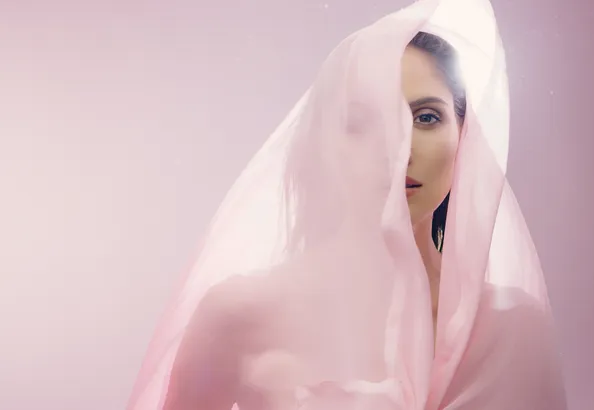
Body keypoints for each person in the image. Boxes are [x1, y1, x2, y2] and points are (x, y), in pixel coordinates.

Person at [127, 0, 568, 409]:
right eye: (366, 120)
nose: (399, 147)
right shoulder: (241, 315)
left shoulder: (514, 328)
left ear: (465, 140)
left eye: (426, 117)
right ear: (323, 143)